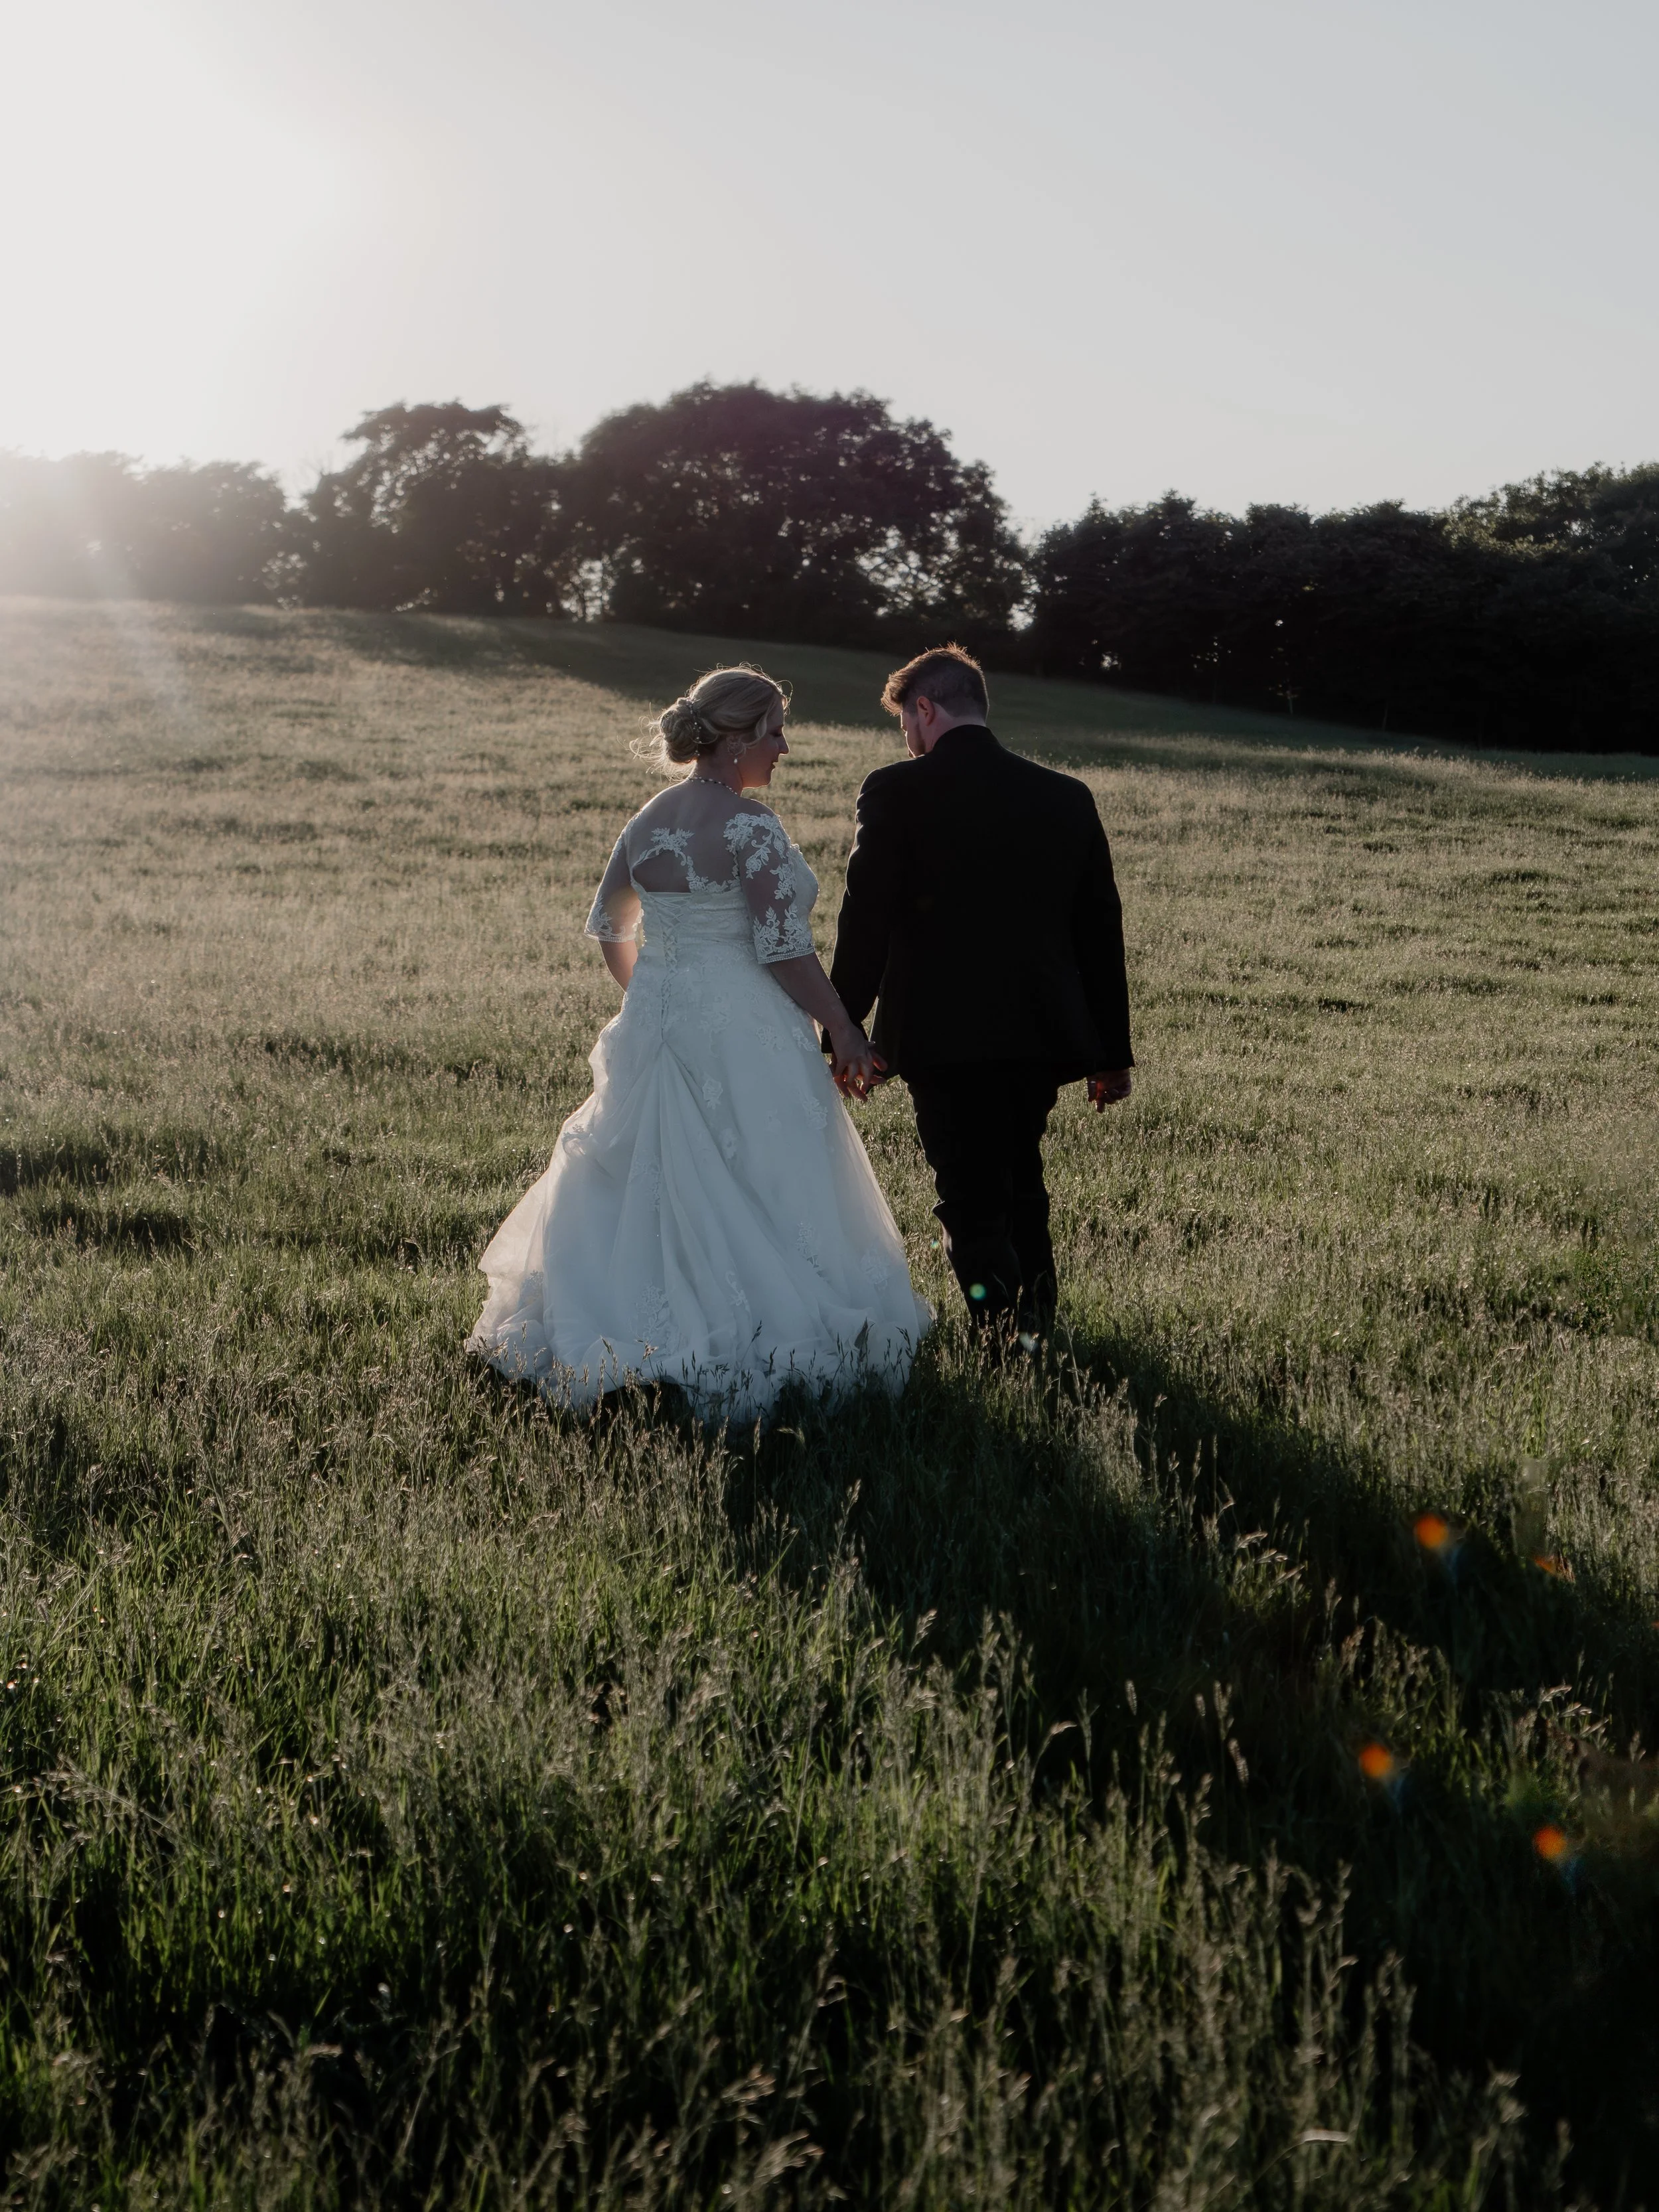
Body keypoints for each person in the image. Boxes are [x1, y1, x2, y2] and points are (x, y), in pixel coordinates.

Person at [468, 665, 931, 1416]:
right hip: (743, 1024)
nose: (783, 746)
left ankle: (627, 1323)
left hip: (661, 1017)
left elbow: (612, 926)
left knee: (650, 1173)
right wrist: (841, 1026)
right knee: (760, 1169)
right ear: (737, 737)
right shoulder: (750, 826)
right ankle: (750, 1328)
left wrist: (656, 993)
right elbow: (784, 949)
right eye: (774, 730)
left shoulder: (648, 817)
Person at [827, 645, 1133, 1341]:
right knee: (1021, 1172)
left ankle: (999, 1336)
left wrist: (843, 1028)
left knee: (966, 1192)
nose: (906, 739)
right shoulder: (1065, 796)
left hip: (941, 1036)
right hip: (1040, 1032)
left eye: (906, 722)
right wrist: (1110, 1054)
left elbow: (865, 918)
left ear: (925, 709)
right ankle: (1038, 1323)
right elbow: (1098, 932)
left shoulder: (895, 791)